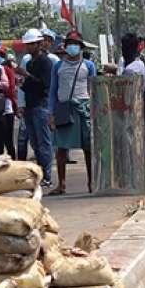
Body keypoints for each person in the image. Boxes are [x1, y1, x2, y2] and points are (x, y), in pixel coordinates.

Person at [48, 31, 97, 193]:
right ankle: (61, 184)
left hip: (84, 108)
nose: (72, 47)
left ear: (81, 47)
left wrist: (95, 110)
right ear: (65, 47)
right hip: (63, 108)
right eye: (69, 44)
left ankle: (92, 182)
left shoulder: (88, 65)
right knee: (61, 148)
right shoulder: (58, 66)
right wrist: (51, 114)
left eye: (75, 44)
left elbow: (94, 89)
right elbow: (53, 91)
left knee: (88, 147)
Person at [19, 29, 56, 187]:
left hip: (41, 105)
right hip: (30, 105)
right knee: (35, 142)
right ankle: (40, 173)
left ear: (39, 44)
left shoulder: (46, 62)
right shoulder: (29, 62)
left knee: (44, 143)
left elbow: (45, 84)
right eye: (27, 45)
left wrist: (27, 76)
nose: (29, 47)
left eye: (32, 44)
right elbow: (28, 86)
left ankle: (46, 175)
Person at [121, 33, 145, 159]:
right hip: (128, 97)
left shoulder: (142, 59)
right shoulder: (123, 60)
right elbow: (120, 75)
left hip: (143, 95)